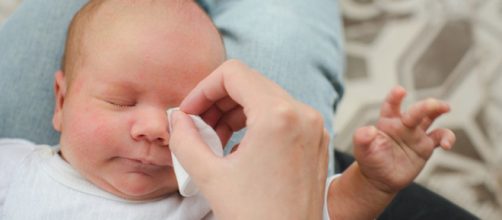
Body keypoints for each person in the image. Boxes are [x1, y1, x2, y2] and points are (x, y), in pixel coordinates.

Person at [0, 0, 476, 219]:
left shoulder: (215, 194)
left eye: (184, 112)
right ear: (59, 102)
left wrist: (369, 185)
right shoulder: (12, 168)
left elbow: (312, 212)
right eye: (121, 102)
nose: (154, 128)